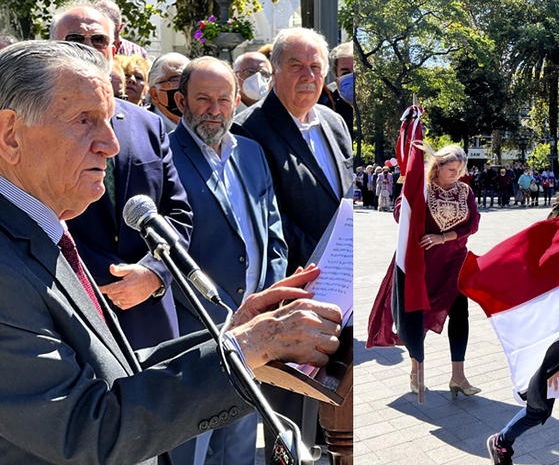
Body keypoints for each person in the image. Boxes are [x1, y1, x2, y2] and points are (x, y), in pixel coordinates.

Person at [0, 40, 342, 464]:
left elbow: (114, 369)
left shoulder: (41, 230)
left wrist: (235, 336)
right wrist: (247, 347)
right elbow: (85, 430)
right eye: (85, 121)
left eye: (108, 121)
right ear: (10, 134)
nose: (111, 144)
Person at [232, 27, 353, 460]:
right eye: (297, 66)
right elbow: (262, 220)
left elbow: (343, 201)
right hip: (290, 296)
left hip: (341, 295)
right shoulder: (249, 130)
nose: (308, 76)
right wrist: (323, 264)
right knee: (288, 424)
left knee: (332, 418)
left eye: (316, 67)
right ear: (275, 71)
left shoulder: (335, 124)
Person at [168, 56, 289, 465]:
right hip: (194, 330)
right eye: (203, 99)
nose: (214, 110)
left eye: (224, 99)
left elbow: (273, 232)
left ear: (237, 100)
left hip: (251, 329)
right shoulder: (163, 155)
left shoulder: (251, 153)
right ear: (181, 101)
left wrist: (269, 299)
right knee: (187, 446)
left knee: (238, 445)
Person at [51, 3, 191, 350]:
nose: (88, 45)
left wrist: (153, 273)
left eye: (98, 39)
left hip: (152, 317)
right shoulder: (36, 125)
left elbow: (177, 215)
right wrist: (109, 276)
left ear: (114, 49)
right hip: (76, 312)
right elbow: (37, 214)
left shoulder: (148, 123)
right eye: (74, 38)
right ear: (53, 47)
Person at [488, 189, 559, 465]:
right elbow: (540, 309)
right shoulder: (545, 248)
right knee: (540, 410)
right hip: (554, 343)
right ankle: (501, 441)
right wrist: (548, 360)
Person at [367, 144, 481, 403]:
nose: (457, 174)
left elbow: (473, 223)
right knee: (418, 318)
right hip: (421, 265)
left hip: (454, 261)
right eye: (451, 169)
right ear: (437, 167)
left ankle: (458, 376)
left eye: (460, 169)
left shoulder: (465, 191)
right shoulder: (421, 189)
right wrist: (411, 194)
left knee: (460, 315)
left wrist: (444, 237)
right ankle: (416, 372)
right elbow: (400, 214)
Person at [148, 52, 189, 132]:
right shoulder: (143, 127)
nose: (184, 85)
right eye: (175, 80)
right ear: (155, 94)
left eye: (188, 78)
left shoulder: (204, 124)